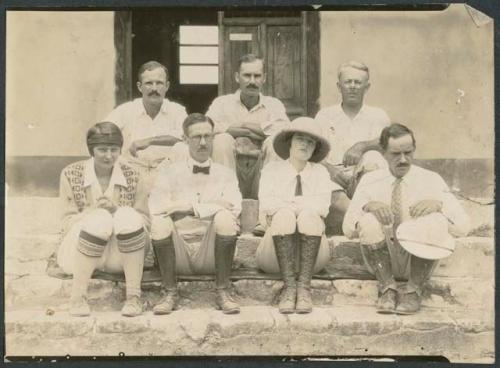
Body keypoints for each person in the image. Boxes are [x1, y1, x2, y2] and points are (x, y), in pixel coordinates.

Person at [343, 123, 470, 314]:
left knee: (435, 219)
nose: (403, 160)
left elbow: (463, 226)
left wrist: (439, 206)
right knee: (369, 219)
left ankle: (414, 290)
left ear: (414, 150)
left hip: (420, 258)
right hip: (382, 258)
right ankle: (387, 288)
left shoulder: (431, 179)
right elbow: (347, 229)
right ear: (383, 153)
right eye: (395, 154)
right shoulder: (370, 180)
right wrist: (367, 206)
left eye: (408, 152)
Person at [149, 113, 242, 315]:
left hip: (212, 253)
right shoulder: (169, 172)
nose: (203, 143)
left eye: (208, 137)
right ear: (184, 140)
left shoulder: (225, 174)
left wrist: (189, 208)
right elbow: (157, 207)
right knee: (160, 222)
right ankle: (169, 292)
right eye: (196, 137)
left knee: (226, 218)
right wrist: (213, 205)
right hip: (177, 251)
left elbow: (234, 207)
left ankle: (223, 291)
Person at [57, 122, 150, 317]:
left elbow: (145, 221)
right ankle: (78, 297)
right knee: (100, 217)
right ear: (91, 150)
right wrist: (92, 213)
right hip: (78, 254)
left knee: (126, 214)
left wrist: (117, 211)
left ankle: (133, 297)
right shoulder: (71, 173)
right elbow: (65, 223)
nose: (109, 156)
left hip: (122, 256)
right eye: (102, 150)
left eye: (114, 149)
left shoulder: (133, 175)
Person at [256, 117, 339, 314]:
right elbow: (268, 204)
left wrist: (289, 205)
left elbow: (322, 208)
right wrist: (297, 206)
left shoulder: (320, 173)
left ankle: (304, 288)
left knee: (309, 215)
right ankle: (289, 287)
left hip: (312, 260)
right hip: (273, 256)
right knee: (284, 215)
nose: (305, 144)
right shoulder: (271, 170)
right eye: (300, 138)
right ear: (289, 142)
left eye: (311, 142)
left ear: (315, 149)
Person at [315, 61, 391, 234]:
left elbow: (388, 143)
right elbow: (313, 152)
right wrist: (330, 170)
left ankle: (359, 218)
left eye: (358, 82)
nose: (352, 87)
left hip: (362, 179)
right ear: (339, 86)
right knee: (318, 175)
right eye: (348, 82)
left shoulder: (377, 115)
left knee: (374, 158)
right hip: (334, 181)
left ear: (367, 87)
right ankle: (362, 216)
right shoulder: (325, 116)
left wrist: (362, 146)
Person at [204, 53, 290, 199]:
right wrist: (260, 131)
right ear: (237, 77)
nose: (252, 81)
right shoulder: (221, 103)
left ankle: (270, 203)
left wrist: (241, 127)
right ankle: (225, 199)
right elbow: (207, 127)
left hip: (262, 165)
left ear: (264, 78)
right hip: (230, 164)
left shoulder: (274, 104)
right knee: (222, 140)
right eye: (247, 75)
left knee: (275, 142)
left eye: (257, 76)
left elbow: (285, 132)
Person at [105, 61, 188, 190]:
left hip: (166, 172)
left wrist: (150, 141)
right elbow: (104, 133)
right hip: (132, 170)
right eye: (149, 83)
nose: (154, 88)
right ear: (139, 86)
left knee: (183, 149)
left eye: (159, 83)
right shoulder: (125, 110)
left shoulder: (177, 111)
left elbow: (186, 138)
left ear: (167, 86)